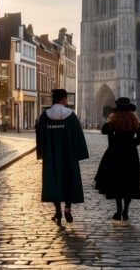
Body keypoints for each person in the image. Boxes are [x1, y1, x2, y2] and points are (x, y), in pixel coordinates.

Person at [36, 89, 89, 224]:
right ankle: (67, 208)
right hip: (68, 156)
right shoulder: (70, 116)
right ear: (63, 99)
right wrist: (79, 153)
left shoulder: (45, 116)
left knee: (54, 183)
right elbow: (78, 136)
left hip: (51, 157)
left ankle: (58, 210)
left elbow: (40, 136)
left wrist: (42, 153)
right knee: (69, 182)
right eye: (66, 98)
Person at [94, 97, 140, 221]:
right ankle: (125, 210)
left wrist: (111, 118)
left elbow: (103, 130)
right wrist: (132, 145)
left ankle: (118, 211)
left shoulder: (114, 121)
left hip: (114, 155)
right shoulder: (133, 120)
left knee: (117, 183)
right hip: (130, 156)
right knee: (128, 183)